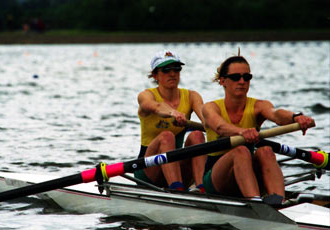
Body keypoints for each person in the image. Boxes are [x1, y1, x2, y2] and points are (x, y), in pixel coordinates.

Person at [202, 54, 315, 202]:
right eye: (236, 77)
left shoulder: (259, 106)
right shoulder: (210, 107)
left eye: (247, 77)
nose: (242, 82)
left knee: (266, 151)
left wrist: (296, 117)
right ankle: (256, 202)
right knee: (241, 150)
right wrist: (241, 132)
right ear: (223, 81)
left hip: (247, 171)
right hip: (217, 178)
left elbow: (277, 115)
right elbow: (219, 127)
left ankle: (279, 202)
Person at [134, 50, 207, 192]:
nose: (172, 73)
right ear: (155, 75)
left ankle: (202, 188)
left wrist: (223, 127)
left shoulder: (192, 96)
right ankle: (177, 189)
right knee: (167, 136)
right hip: (148, 170)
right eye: (166, 70)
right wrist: (173, 112)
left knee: (197, 134)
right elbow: (156, 107)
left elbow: (207, 119)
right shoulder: (146, 95)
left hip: (178, 165)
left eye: (176, 69)